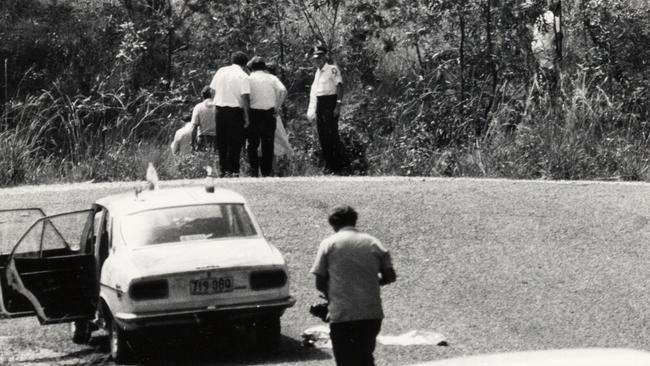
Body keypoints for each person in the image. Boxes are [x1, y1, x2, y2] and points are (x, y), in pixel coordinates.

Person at [310, 205, 397, 366]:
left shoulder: (329, 244)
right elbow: (390, 276)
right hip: (371, 313)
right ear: (354, 221)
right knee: (365, 357)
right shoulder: (373, 242)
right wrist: (369, 282)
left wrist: (332, 294)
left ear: (333, 224)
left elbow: (320, 281)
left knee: (345, 360)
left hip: (342, 313)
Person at [209, 51, 251, 177]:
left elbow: (212, 89)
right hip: (235, 111)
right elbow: (245, 97)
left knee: (221, 141)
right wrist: (247, 116)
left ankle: (223, 170)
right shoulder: (243, 76)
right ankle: (234, 170)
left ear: (231, 60)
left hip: (220, 109)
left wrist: (215, 102)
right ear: (244, 64)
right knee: (235, 142)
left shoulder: (221, 71)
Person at [307, 45, 345, 174]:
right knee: (322, 135)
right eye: (315, 59)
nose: (317, 61)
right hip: (321, 103)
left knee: (332, 134)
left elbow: (339, 86)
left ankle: (338, 165)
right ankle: (329, 165)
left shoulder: (332, 69)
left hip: (330, 101)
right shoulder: (318, 72)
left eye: (320, 58)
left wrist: (338, 105)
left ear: (324, 58)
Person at [246, 56, 287, 177]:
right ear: (264, 67)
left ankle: (253, 170)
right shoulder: (271, 77)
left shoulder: (249, 78)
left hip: (253, 113)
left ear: (252, 67)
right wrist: (277, 106)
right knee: (267, 144)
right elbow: (283, 90)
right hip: (269, 113)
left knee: (252, 144)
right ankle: (266, 172)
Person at [191, 85, 216, 151]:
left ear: (202, 95)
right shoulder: (219, 107)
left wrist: (192, 144)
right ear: (213, 95)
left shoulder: (198, 107)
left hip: (202, 140)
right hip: (217, 140)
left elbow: (194, 127)